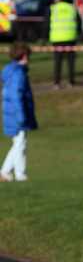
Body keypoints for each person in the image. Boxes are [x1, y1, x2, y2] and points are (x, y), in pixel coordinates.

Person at [1, 42, 37, 182]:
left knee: (18, 143)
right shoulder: (18, 74)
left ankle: (4, 171)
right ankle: (20, 174)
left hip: (11, 113)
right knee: (20, 144)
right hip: (16, 114)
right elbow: (16, 96)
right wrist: (21, 116)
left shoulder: (10, 70)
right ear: (25, 56)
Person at [43, 0, 79, 89]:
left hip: (57, 38)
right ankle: (71, 81)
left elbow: (46, 24)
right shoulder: (72, 7)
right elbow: (79, 22)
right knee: (70, 61)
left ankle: (57, 82)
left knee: (58, 61)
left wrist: (44, 37)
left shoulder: (52, 8)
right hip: (70, 37)